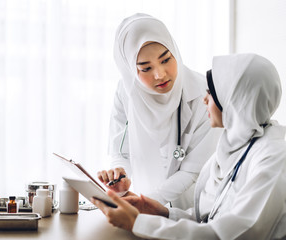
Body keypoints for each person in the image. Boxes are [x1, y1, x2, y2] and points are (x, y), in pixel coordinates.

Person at [92, 53, 286, 239]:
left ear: (235, 101)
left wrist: (138, 223)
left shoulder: (273, 157)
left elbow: (234, 234)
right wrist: (163, 212)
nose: (204, 100)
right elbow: (210, 219)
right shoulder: (233, 147)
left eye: (210, 93)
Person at [97, 13, 220, 209]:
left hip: (193, 211)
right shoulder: (126, 92)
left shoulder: (204, 95)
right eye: (145, 68)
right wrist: (120, 177)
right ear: (130, 69)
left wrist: (145, 203)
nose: (160, 75)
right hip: (145, 208)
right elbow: (121, 151)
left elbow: (192, 171)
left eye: (165, 60)